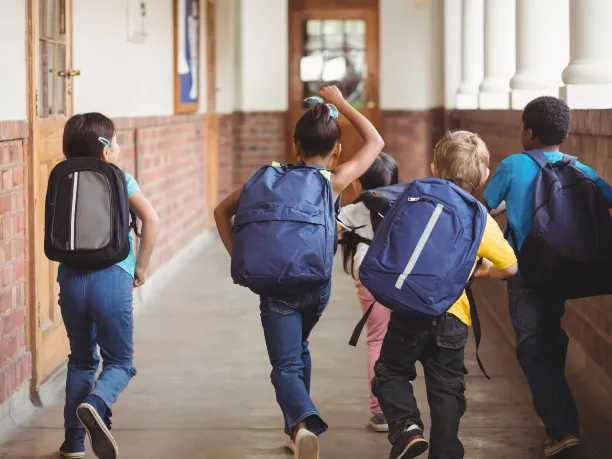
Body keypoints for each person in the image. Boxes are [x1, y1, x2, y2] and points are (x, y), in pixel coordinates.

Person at [214, 85, 384, 459]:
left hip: (274, 288)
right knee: (298, 348)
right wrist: (341, 103)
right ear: (337, 149)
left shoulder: (266, 180)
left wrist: (238, 255)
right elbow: (375, 140)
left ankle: (303, 422)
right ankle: (297, 430)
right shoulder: (333, 182)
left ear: (295, 145)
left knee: (284, 365)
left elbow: (220, 212)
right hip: (315, 287)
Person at [373, 131, 518, 459]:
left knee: (391, 373)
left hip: (408, 310)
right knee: (447, 392)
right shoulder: (480, 218)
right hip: (452, 318)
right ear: (483, 176)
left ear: (434, 168)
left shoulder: (416, 200)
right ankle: (446, 450)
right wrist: (481, 272)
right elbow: (510, 267)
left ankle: (407, 429)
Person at [483, 96, 612, 457]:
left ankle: (562, 429)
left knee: (532, 348)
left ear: (527, 132)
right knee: (548, 337)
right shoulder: (582, 170)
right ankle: (559, 411)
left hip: (525, 274)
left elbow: (488, 207)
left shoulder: (513, 165)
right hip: (566, 272)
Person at [58, 113, 160, 459]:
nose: (117, 147)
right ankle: (97, 403)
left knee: (81, 361)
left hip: (71, 279)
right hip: (113, 279)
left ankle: (72, 445)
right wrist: (142, 267)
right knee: (120, 362)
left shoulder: (61, 180)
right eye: (114, 141)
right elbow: (152, 219)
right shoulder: (122, 178)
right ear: (105, 150)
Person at [337, 152, 398, 433]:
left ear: (359, 184)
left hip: (369, 279)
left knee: (377, 340)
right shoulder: (403, 209)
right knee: (403, 340)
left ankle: (381, 411)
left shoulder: (349, 212)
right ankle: (402, 405)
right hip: (401, 279)